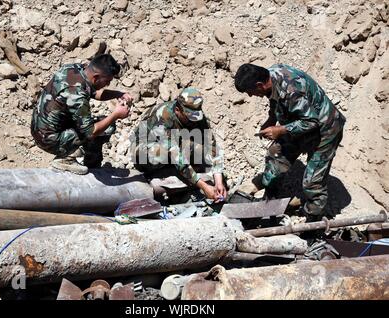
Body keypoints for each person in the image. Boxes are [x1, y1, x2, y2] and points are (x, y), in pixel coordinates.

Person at [234, 63, 346, 221]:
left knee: (312, 183)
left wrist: (280, 130)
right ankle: (270, 201)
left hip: (325, 129)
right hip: (300, 123)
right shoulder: (270, 76)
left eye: (251, 92)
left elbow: (311, 121)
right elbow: (274, 99)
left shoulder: (292, 89)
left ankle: (313, 224)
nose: (251, 96)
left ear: (259, 84)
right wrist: (271, 119)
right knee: (275, 154)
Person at [31, 54, 132, 174]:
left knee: (99, 123)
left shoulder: (73, 69)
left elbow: (94, 93)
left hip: (40, 129)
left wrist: (118, 94)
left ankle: (91, 162)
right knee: (107, 127)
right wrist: (116, 114)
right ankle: (66, 158)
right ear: (96, 78)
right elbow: (90, 132)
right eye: (107, 81)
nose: (107, 85)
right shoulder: (77, 95)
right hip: (48, 140)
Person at [131, 87, 227, 202]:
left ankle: (179, 172)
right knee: (163, 154)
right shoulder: (163, 116)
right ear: (177, 110)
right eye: (189, 117)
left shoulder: (196, 116)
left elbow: (212, 146)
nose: (193, 121)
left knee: (197, 147)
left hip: (173, 144)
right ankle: (154, 174)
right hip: (144, 150)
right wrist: (204, 186)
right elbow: (175, 154)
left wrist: (219, 180)